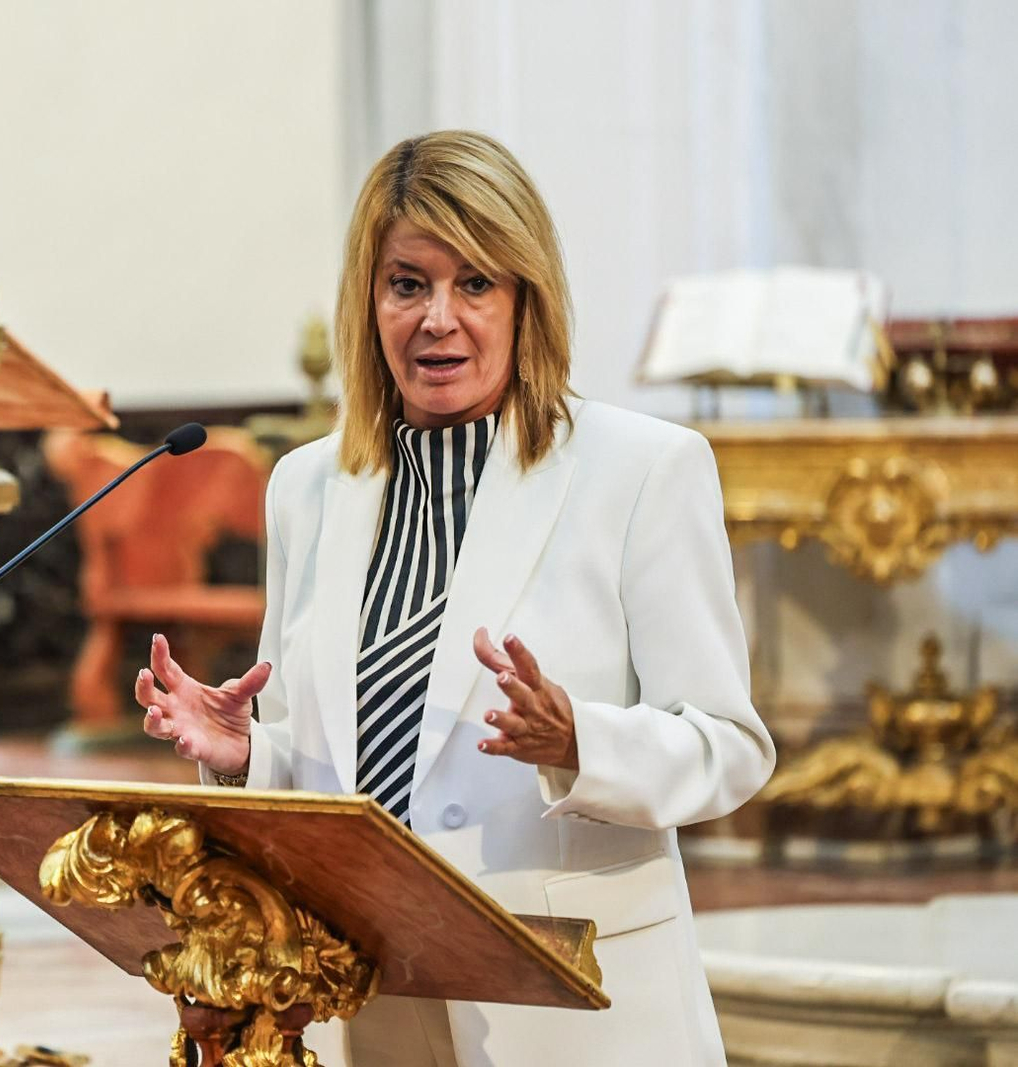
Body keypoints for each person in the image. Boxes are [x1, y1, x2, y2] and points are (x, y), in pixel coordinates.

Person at [134, 130, 775, 1066]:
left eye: (476, 283)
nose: (439, 318)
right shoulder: (310, 488)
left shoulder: (642, 470)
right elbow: (351, 769)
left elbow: (730, 745)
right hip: (370, 993)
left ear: (526, 300)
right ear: (370, 301)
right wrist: (248, 755)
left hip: (566, 1003)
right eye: (408, 283)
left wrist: (580, 741)